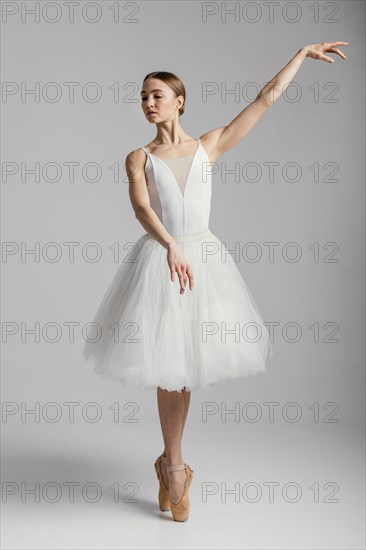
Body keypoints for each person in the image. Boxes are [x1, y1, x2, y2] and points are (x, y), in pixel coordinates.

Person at [83, 41, 348, 521]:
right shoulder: (138, 158)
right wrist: (171, 247)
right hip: (165, 259)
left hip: (204, 260)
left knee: (184, 369)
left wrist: (300, 55)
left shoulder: (208, 145)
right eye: (143, 96)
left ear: (179, 100)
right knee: (166, 368)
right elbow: (142, 209)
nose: (148, 103)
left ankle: (169, 462)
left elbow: (265, 99)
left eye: (157, 94)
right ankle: (178, 468)